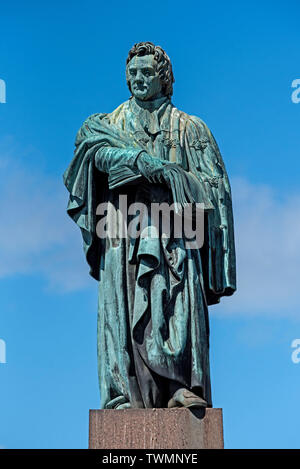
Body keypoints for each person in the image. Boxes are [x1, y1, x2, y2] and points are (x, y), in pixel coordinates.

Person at [64, 42, 236, 409]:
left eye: (146, 73)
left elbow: (215, 188)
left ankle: (179, 386)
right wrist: (144, 162)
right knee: (123, 315)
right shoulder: (108, 124)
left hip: (176, 234)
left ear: (164, 78)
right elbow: (88, 156)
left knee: (172, 308)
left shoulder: (192, 129)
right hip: (122, 235)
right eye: (133, 73)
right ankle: (123, 395)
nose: (138, 79)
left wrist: (177, 180)